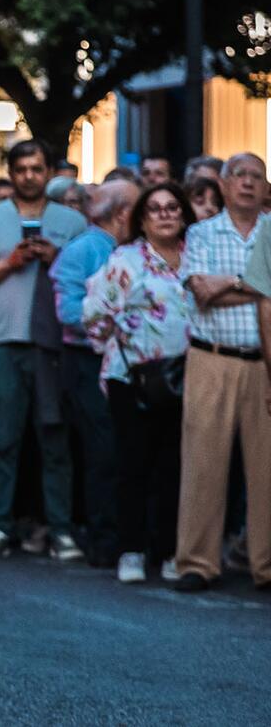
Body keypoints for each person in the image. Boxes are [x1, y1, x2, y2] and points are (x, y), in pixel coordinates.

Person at [0, 138, 88, 562]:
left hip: (53, 344)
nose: (29, 176)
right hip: (2, 340)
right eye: (21, 170)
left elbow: (91, 279)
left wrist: (57, 258)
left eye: (37, 168)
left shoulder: (71, 222)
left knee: (55, 440)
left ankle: (60, 530)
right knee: (2, 438)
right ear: (11, 173)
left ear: (48, 171)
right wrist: (8, 264)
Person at [83, 181, 192, 584]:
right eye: (156, 209)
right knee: (133, 465)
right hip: (132, 377)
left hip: (184, 378)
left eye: (173, 207)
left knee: (174, 467)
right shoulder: (126, 260)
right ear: (142, 220)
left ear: (183, 216)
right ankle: (130, 550)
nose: (165, 214)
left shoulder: (196, 256)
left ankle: (167, 551)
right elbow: (94, 315)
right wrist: (123, 345)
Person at [174, 152, 269, 591]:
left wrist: (226, 282)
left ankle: (265, 565)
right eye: (240, 175)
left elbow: (217, 286)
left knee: (267, 469)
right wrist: (254, 284)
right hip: (211, 357)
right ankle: (197, 563)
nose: (248, 183)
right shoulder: (200, 232)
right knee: (203, 465)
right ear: (225, 185)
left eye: (257, 176)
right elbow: (202, 291)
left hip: (264, 362)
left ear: (266, 188)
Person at [51, 179, 137, 565]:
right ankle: (104, 540)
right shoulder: (81, 250)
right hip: (87, 362)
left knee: (125, 450)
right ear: (123, 213)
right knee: (102, 451)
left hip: (130, 364)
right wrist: (127, 320)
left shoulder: (137, 251)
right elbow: (68, 313)